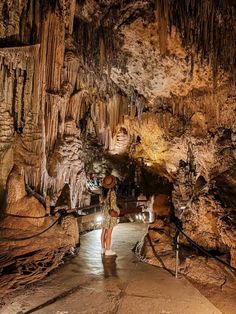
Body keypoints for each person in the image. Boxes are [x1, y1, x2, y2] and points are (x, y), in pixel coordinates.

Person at [100, 175, 120, 256]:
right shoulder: (112, 192)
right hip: (109, 214)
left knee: (103, 231)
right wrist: (117, 211)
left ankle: (103, 249)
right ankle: (108, 250)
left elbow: (101, 203)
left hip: (104, 213)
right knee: (109, 233)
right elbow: (113, 205)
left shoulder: (102, 193)